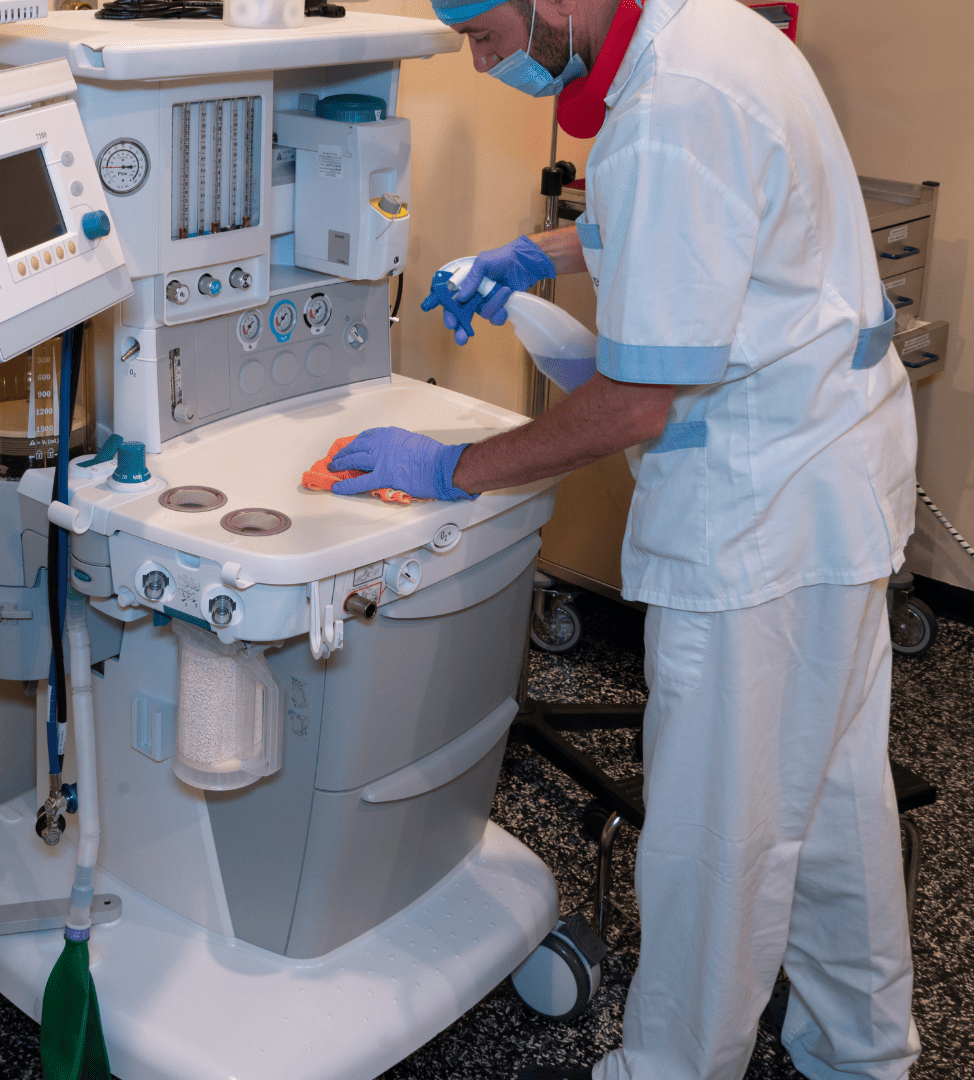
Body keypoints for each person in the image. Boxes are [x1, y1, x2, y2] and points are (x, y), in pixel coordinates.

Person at [326, 1, 923, 1078]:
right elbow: (694, 218)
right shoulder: (710, 30)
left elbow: (636, 403)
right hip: (835, 469)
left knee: (714, 839)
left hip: (765, 513)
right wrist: (537, 255)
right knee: (834, 800)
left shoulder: (671, 96)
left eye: (485, 33)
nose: (482, 57)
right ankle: (863, 1051)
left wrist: (449, 469)